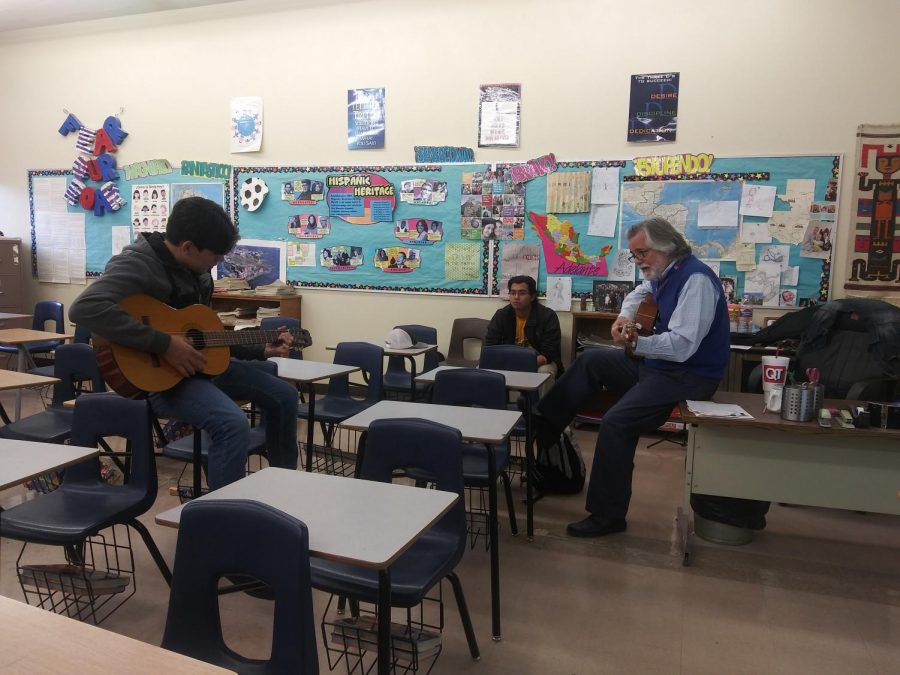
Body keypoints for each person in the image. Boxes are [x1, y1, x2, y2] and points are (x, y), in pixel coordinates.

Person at [70, 197, 300, 491]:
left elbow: (204, 335)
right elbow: (84, 308)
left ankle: (286, 487)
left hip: (199, 369)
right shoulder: (138, 264)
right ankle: (224, 520)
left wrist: (260, 348)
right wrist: (164, 344)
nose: (218, 263)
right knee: (232, 424)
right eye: (215, 257)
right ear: (188, 247)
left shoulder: (199, 273)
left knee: (285, 396)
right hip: (157, 379)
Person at [533, 217, 729, 538]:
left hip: (688, 374)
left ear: (666, 248)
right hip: (658, 364)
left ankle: (608, 515)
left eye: (642, 254)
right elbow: (639, 293)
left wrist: (637, 343)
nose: (638, 262)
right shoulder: (665, 272)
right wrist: (624, 316)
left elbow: (681, 346)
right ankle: (545, 426)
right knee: (592, 360)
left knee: (616, 422)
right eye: (635, 255)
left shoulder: (696, 281)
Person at [485, 275, 563, 394]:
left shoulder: (547, 316)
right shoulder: (502, 315)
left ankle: (541, 411)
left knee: (545, 372)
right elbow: (490, 346)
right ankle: (490, 407)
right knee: (481, 369)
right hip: (507, 361)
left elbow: (550, 352)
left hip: (538, 362)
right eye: (513, 293)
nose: (516, 297)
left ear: (532, 296)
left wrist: (521, 363)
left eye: (522, 293)